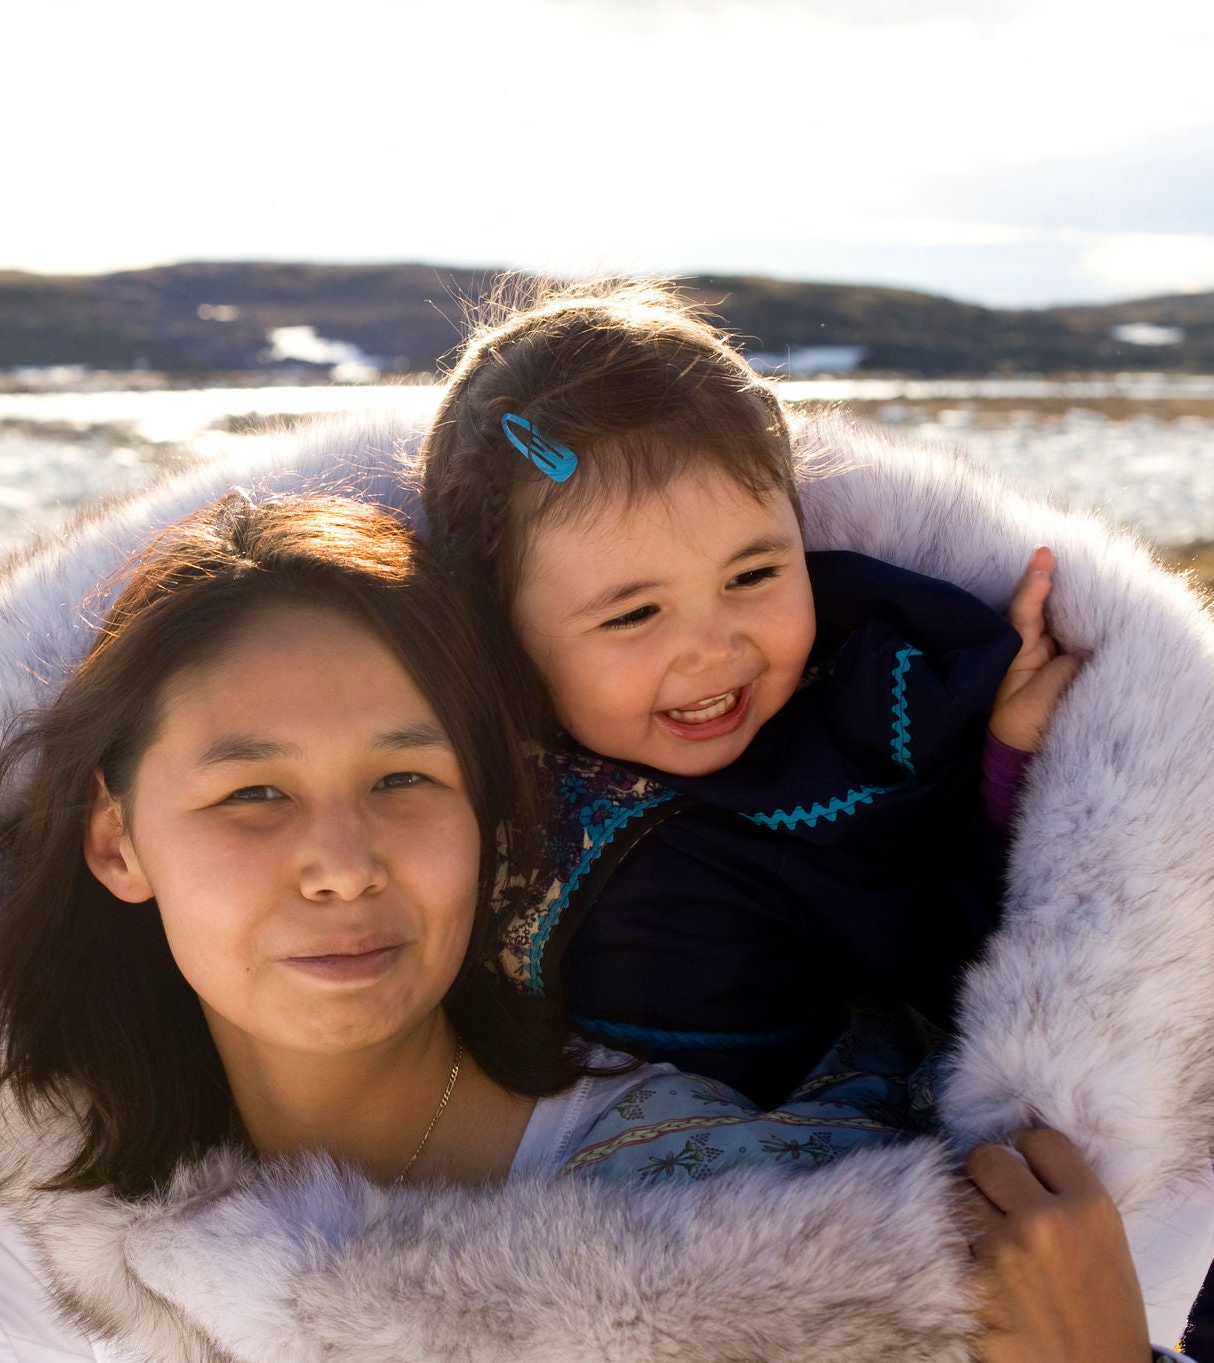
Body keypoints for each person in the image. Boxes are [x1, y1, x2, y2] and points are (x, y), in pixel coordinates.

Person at [0, 493, 1174, 1362]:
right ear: (116, 837)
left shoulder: (723, 1202)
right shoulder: (35, 1228)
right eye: (248, 793)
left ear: (493, 817)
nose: (338, 861)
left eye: (404, 774)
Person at [419, 278, 1087, 1105]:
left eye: (755, 572)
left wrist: (1006, 753)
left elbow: (960, 942)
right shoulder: (434, 768)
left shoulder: (863, 722)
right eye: (633, 613)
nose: (714, 648)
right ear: (498, 633)